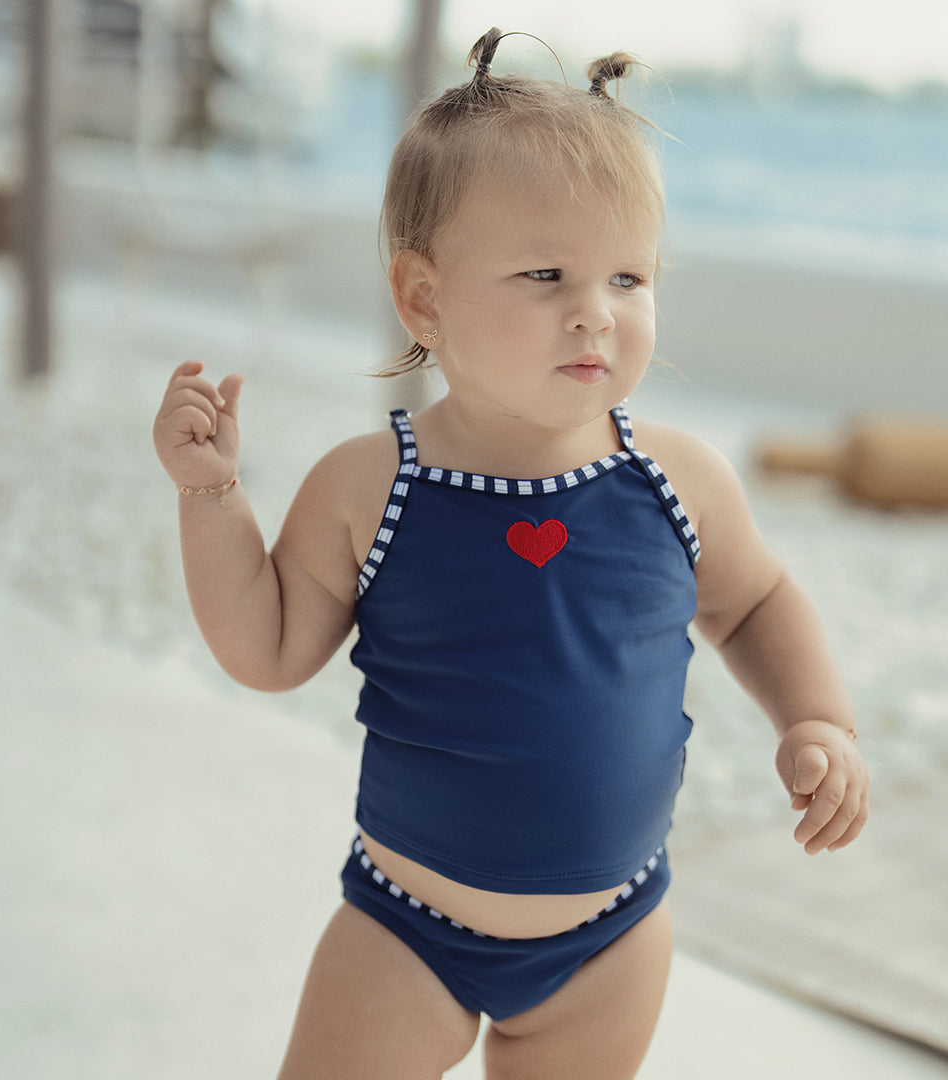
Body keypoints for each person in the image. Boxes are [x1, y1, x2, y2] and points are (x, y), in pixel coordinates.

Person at [152, 28, 869, 1080]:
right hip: (406, 931)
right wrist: (211, 494)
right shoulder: (372, 485)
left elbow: (755, 603)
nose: (596, 311)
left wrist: (819, 719)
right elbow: (266, 649)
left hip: (613, 938)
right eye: (546, 274)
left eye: (629, 276)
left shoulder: (679, 479)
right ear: (425, 297)